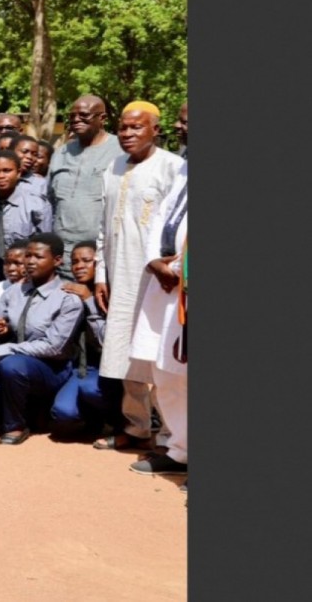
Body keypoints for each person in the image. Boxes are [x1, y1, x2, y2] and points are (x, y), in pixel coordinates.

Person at [93, 101, 185, 452]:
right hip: (120, 274)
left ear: (155, 131)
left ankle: (171, 436)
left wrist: (171, 269)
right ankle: (136, 427)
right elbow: (104, 228)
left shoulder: (173, 167)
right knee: (124, 352)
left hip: (160, 279)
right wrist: (102, 274)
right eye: (123, 127)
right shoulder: (112, 167)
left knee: (159, 355)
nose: (127, 134)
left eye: (136, 128)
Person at [0, 233, 82, 445]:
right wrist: (1, 332)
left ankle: (15, 425)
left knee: (12, 365)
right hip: (14, 362)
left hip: (52, 368)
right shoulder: (14, 291)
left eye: (38, 257)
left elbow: (53, 347)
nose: (30, 261)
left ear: (57, 260)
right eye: (28, 256)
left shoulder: (68, 297)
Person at [127, 158, 187, 475]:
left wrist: (177, 269)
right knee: (167, 372)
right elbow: (159, 221)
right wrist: (154, 262)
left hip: (184, 283)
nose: (181, 128)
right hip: (166, 286)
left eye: (186, 122)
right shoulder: (183, 171)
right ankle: (181, 451)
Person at [49, 240, 117, 434]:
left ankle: (119, 420)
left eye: (87, 261)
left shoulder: (112, 293)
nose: (79, 266)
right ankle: (92, 419)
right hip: (78, 366)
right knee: (63, 413)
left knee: (90, 389)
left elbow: (107, 341)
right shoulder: (67, 291)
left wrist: (89, 300)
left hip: (107, 367)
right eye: (75, 261)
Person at [48, 95, 124, 265]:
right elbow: (50, 199)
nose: (76, 120)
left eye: (83, 115)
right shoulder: (61, 152)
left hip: (102, 253)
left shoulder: (121, 151)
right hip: (64, 254)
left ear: (102, 118)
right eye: (72, 116)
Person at [0, 150, 53, 271]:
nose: (1, 176)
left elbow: (44, 246)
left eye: (7, 171)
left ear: (18, 173)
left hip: (27, 270)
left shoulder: (36, 205)